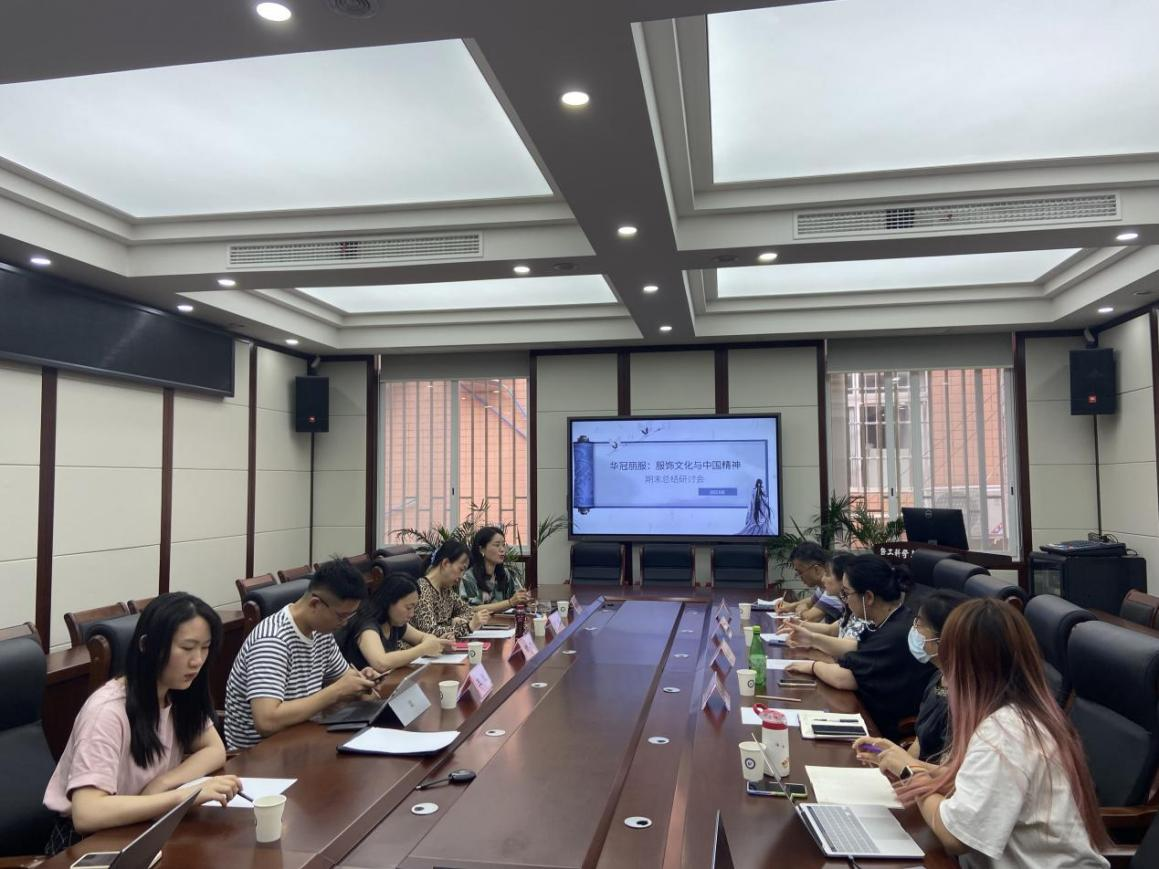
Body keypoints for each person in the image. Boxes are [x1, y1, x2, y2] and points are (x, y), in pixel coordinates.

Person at [857, 599, 1109, 868]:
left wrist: (910, 771)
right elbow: (973, 782)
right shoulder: (1012, 714)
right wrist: (904, 760)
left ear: (969, 668)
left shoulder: (1006, 733)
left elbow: (954, 836)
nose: (945, 674)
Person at [43, 593, 241, 855]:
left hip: (141, 828)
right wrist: (184, 795)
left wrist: (163, 783)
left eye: (205, 648)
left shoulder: (178, 691)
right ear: (146, 645)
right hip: (85, 845)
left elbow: (214, 749)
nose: (197, 660)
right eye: (187, 648)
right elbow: (87, 813)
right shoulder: (107, 711)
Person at [224, 558, 380, 750]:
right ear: (315, 604)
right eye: (341, 616)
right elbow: (266, 722)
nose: (345, 623)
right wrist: (336, 691)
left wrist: (362, 682)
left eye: (350, 616)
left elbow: (344, 678)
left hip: (302, 740)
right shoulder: (273, 640)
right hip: (259, 755)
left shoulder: (321, 632)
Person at [785, 554, 932, 741]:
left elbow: (842, 678)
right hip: (870, 714)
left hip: (884, 731)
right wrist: (811, 638)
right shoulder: (892, 619)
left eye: (847, 594)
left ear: (868, 597)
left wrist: (812, 666)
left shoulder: (895, 633)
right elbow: (857, 647)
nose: (845, 601)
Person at [850, 590, 968, 770]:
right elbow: (919, 744)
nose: (913, 629)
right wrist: (887, 755)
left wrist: (904, 765)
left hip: (935, 784)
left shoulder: (966, 698)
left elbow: (951, 776)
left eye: (919, 623)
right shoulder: (938, 677)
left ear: (942, 638)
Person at [336, 571, 453, 671]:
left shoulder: (395, 622)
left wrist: (438, 644)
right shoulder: (367, 625)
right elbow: (380, 663)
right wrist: (423, 649)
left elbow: (424, 637)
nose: (412, 614)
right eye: (408, 607)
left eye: (414, 608)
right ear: (389, 602)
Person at [779, 551, 863, 657]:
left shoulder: (863, 611)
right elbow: (831, 629)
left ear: (844, 579)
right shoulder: (850, 609)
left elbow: (849, 648)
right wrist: (799, 624)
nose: (823, 579)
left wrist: (811, 643)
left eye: (827, 574)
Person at [412, 539, 486, 639]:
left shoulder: (446, 589)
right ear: (445, 563)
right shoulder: (421, 589)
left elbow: (469, 611)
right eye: (461, 569)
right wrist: (468, 627)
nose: (461, 576)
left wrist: (453, 621)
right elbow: (430, 632)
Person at [459, 526, 530, 615]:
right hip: (480, 623)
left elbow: (517, 599)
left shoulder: (506, 574)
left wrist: (523, 599)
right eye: (497, 545)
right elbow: (471, 609)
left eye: (503, 545)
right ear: (481, 549)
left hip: (504, 622)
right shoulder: (469, 577)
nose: (502, 549)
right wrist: (510, 602)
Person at [776, 542, 844, 623]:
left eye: (800, 572)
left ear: (816, 569)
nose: (799, 577)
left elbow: (810, 619)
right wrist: (790, 606)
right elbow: (812, 601)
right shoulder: (823, 587)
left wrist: (802, 611)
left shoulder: (834, 589)